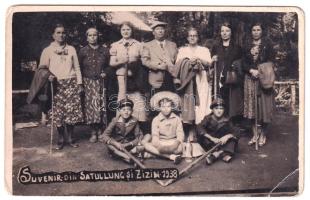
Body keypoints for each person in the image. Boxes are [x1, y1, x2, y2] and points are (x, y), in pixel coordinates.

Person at [39, 23, 84, 150]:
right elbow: (42, 69)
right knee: (58, 112)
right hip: (55, 84)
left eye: (63, 32)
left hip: (71, 83)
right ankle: (60, 137)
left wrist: (79, 83)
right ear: (53, 35)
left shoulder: (71, 49)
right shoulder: (47, 50)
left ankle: (70, 137)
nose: (61, 35)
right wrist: (48, 76)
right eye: (58, 32)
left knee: (71, 112)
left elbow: (77, 67)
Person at [172, 27, 212, 161]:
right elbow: (178, 65)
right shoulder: (182, 50)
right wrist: (189, 62)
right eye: (190, 36)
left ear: (198, 37)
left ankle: (196, 136)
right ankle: (187, 135)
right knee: (188, 108)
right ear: (187, 38)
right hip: (187, 82)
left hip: (201, 81)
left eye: (195, 35)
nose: (193, 37)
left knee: (200, 108)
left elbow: (209, 64)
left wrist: (199, 60)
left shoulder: (204, 50)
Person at [109, 22, 149, 129]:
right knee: (122, 99)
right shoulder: (115, 45)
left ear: (132, 31)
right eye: (123, 30)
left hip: (135, 77)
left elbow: (144, 62)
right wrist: (121, 61)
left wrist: (134, 67)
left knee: (137, 99)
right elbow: (112, 63)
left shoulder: (139, 45)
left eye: (128, 29)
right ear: (120, 31)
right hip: (122, 77)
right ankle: (120, 127)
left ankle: (139, 127)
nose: (125, 32)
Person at [242, 23, 275, 147]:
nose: (256, 32)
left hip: (264, 79)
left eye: (258, 30)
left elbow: (272, 62)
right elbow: (243, 62)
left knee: (264, 108)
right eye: (253, 30)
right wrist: (251, 70)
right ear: (251, 32)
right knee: (251, 108)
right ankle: (255, 134)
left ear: (262, 31)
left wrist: (260, 71)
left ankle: (263, 134)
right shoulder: (246, 45)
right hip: (250, 78)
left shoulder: (268, 45)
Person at [78, 28, 110, 143]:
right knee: (91, 107)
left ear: (98, 36)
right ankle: (93, 131)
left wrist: (105, 72)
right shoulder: (83, 51)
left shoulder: (105, 50)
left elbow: (109, 66)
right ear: (87, 37)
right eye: (90, 35)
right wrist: (80, 83)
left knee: (101, 105)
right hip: (88, 82)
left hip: (101, 82)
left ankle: (101, 131)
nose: (93, 37)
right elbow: (79, 68)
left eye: (95, 35)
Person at [211, 22, 243, 125]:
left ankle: (231, 124)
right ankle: (219, 123)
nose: (224, 33)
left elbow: (241, 63)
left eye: (227, 31)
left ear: (231, 33)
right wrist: (213, 59)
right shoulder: (216, 47)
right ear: (220, 33)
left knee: (232, 101)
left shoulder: (237, 47)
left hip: (231, 79)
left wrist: (235, 65)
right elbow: (211, 64)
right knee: (220, 99)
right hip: (219, 78)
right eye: (222, 31)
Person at [141, 91, 184, 164]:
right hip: (160, 142)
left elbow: (180, 134)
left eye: (168, 106)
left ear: (172, 107)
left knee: (180, 148)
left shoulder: (177, 119)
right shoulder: (156, 120)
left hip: (172, 142)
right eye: (163, 107)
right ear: (159, 107)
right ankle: (172, 157)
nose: (166, 109)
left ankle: (157, 154)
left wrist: (175, 144)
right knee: (144, 144)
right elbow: (155, 135)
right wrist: (159, 146)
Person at [99, 99, 144, 165]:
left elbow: (139, 136)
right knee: (109, 145)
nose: (126, 112)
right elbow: (104, 135)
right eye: (123, 110)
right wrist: (115, 143)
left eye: (128, 110)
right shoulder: (115, 120)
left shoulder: (134, 120)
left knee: (141, 145)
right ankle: (127, 157)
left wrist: (129, 144)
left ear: (132, 111)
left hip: (128, 145)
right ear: (119, 111)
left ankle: (128, 157)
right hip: (117, 146)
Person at [197, 98, 239, 165]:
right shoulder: (208, 118)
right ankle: (223, 153)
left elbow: (236, 131)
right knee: (202, 138)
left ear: (224, 110)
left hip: (221, 143)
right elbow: (199, 127)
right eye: (216, 108)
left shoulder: (227, 119)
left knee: (233, 140)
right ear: (212, 110)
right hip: (210, 143)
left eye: (221, 108)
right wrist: (211, 138)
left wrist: (227, 136)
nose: (219, 111)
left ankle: (216, 154)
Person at [141, 21, 178, 94]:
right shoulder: (148, 45)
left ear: (165, 31)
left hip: (171, 78)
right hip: (156, 79)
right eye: (158, 29)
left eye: (162, 29)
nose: (160, 31)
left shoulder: (172, 45)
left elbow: (177, 61)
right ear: (153, 32)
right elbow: (145, 61)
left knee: (171, 101)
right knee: (156, 102)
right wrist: (158, 66)